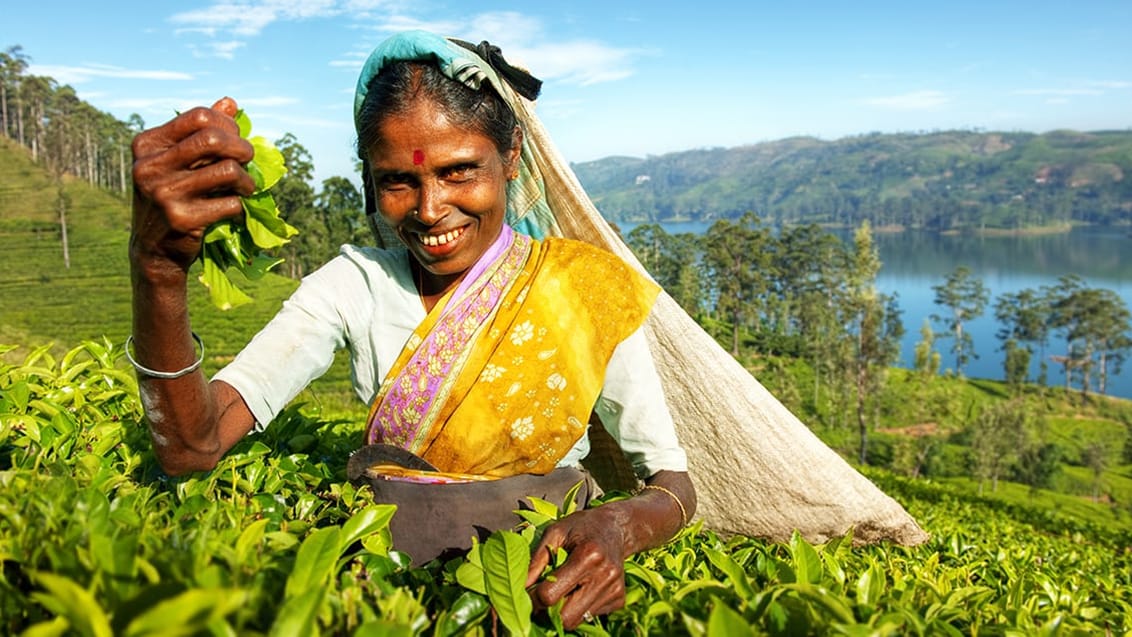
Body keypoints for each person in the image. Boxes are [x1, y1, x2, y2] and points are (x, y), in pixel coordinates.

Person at [128, 30, 695, 628]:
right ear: (370, 179)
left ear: (511, 157)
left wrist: (617, 528)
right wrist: (159, 272)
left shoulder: (585, 289)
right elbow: (193, 447)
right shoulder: (355, 286)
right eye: (399, 180)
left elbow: (673, 485)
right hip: (389, 600)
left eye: (459, 172)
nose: (429, 209)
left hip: (544, 601)